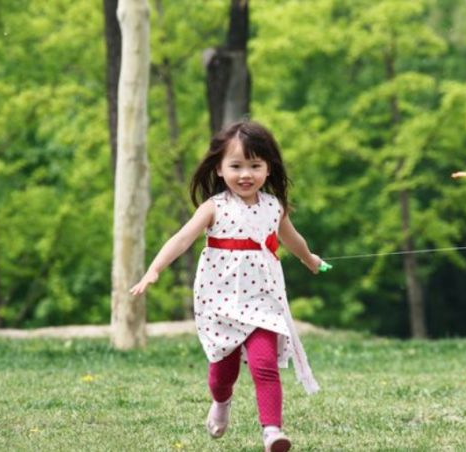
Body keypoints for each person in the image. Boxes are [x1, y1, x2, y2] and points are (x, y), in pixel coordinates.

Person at [130, 121, 322, 452]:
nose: (245, 174)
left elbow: (293, 240)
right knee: (222, 373)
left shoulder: (274, 208)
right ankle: (221, 402)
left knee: (264, 367)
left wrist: (310, 259)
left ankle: (272, 432)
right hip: (219, 301)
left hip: (263, 300)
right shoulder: (214, 207)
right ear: (219, 169)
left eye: (255, 166)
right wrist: (154, 269)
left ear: (267, 168)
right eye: (236, 166)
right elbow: (182, 239)